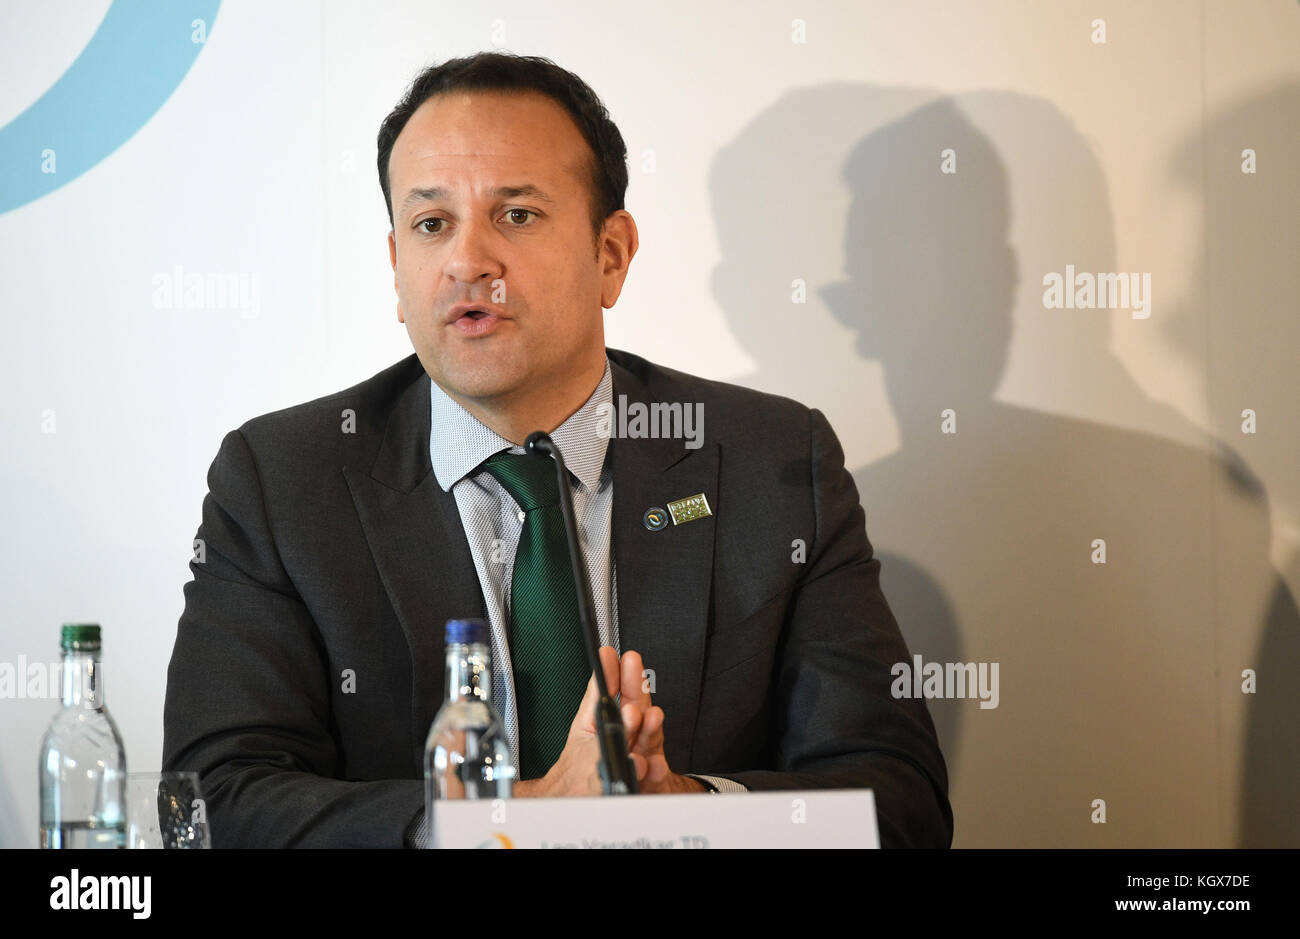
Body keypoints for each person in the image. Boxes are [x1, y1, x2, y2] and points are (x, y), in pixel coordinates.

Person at [162, 51, 953, 848]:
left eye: (517, 214)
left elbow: (900, 802)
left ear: (611, 254)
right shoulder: (281, 483)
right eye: (432, 224)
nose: (470, 262)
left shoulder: (774, 463)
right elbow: (206, 803)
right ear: (397, 265)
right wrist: (512, 821)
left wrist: (690, 804)